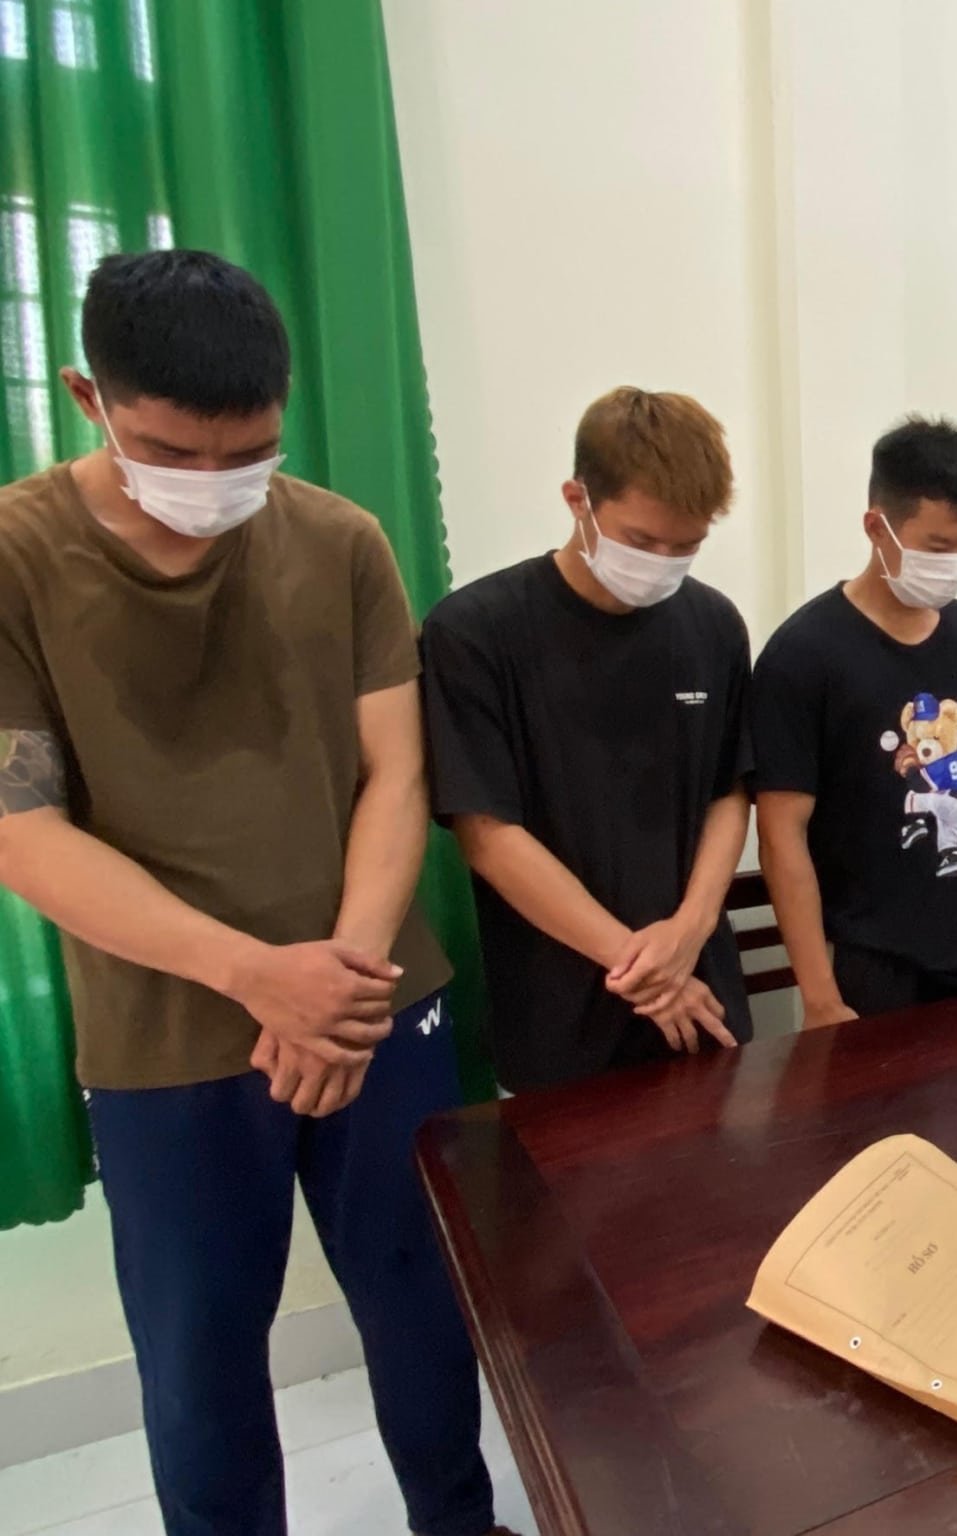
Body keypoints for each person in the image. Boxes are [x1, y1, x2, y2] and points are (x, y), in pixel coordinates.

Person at [0, 251, 508, 1536]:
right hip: (169, 1031)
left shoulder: (339, 540)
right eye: (175, 452)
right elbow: (21, 827)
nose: (215, 484)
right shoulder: (17, 557)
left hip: (374, 999)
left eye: (250, 452)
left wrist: (338, 981)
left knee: (423, 1308)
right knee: (200, 1358)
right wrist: (254, 976)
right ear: (88, 398)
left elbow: (395, 774)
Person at [420, 387, 752, 1091]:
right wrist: (645, 970)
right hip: (560, 1011)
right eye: (642, 540)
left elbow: (729, 792)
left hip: (701, 993)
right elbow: (487, 833)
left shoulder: (714, 626)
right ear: (578, 499)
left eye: (687, 545)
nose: (663, 561)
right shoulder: (474, 632)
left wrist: (690, 930)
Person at [752, 417, 957, 1025]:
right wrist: (820, 997)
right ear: (877, 527)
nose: (955, 564)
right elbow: (780, 835)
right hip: (868, 967)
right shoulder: (803, 653)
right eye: (938, 547)